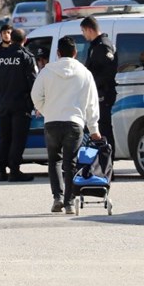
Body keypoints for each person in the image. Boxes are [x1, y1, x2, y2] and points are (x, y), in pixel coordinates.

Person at [31, 35, 101, 215]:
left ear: (58, 53)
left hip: (52, 122)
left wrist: (46, 110)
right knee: (71, 163)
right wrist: (94, 128)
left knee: (54, 160)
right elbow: (92, 102)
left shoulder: (47, 71)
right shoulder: (85, 72)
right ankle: (69, 203)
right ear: (75, 52)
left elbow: (35, 95)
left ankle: (58, 198)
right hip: (75, 122)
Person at [0, 27, 37, 182]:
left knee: (4, 138)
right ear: (25, 40)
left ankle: (1, 171)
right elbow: (33, 81)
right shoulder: (26, 56)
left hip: (4, 104)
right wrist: (36, 103)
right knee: (18, 138)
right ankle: (14, 171)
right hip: (21, 105)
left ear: (12, 39)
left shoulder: (0, 56)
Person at [81, 16, 117, 155]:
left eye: (83, 31)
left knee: (104, 130)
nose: (83, 35)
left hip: (103, 93)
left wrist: (91, 85)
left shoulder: (103, 46)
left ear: (89, 30)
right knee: (97, 129)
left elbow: (107, 73)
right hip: (97, 93)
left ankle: (107, 162)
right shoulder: (96, 45)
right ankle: (100, 162)